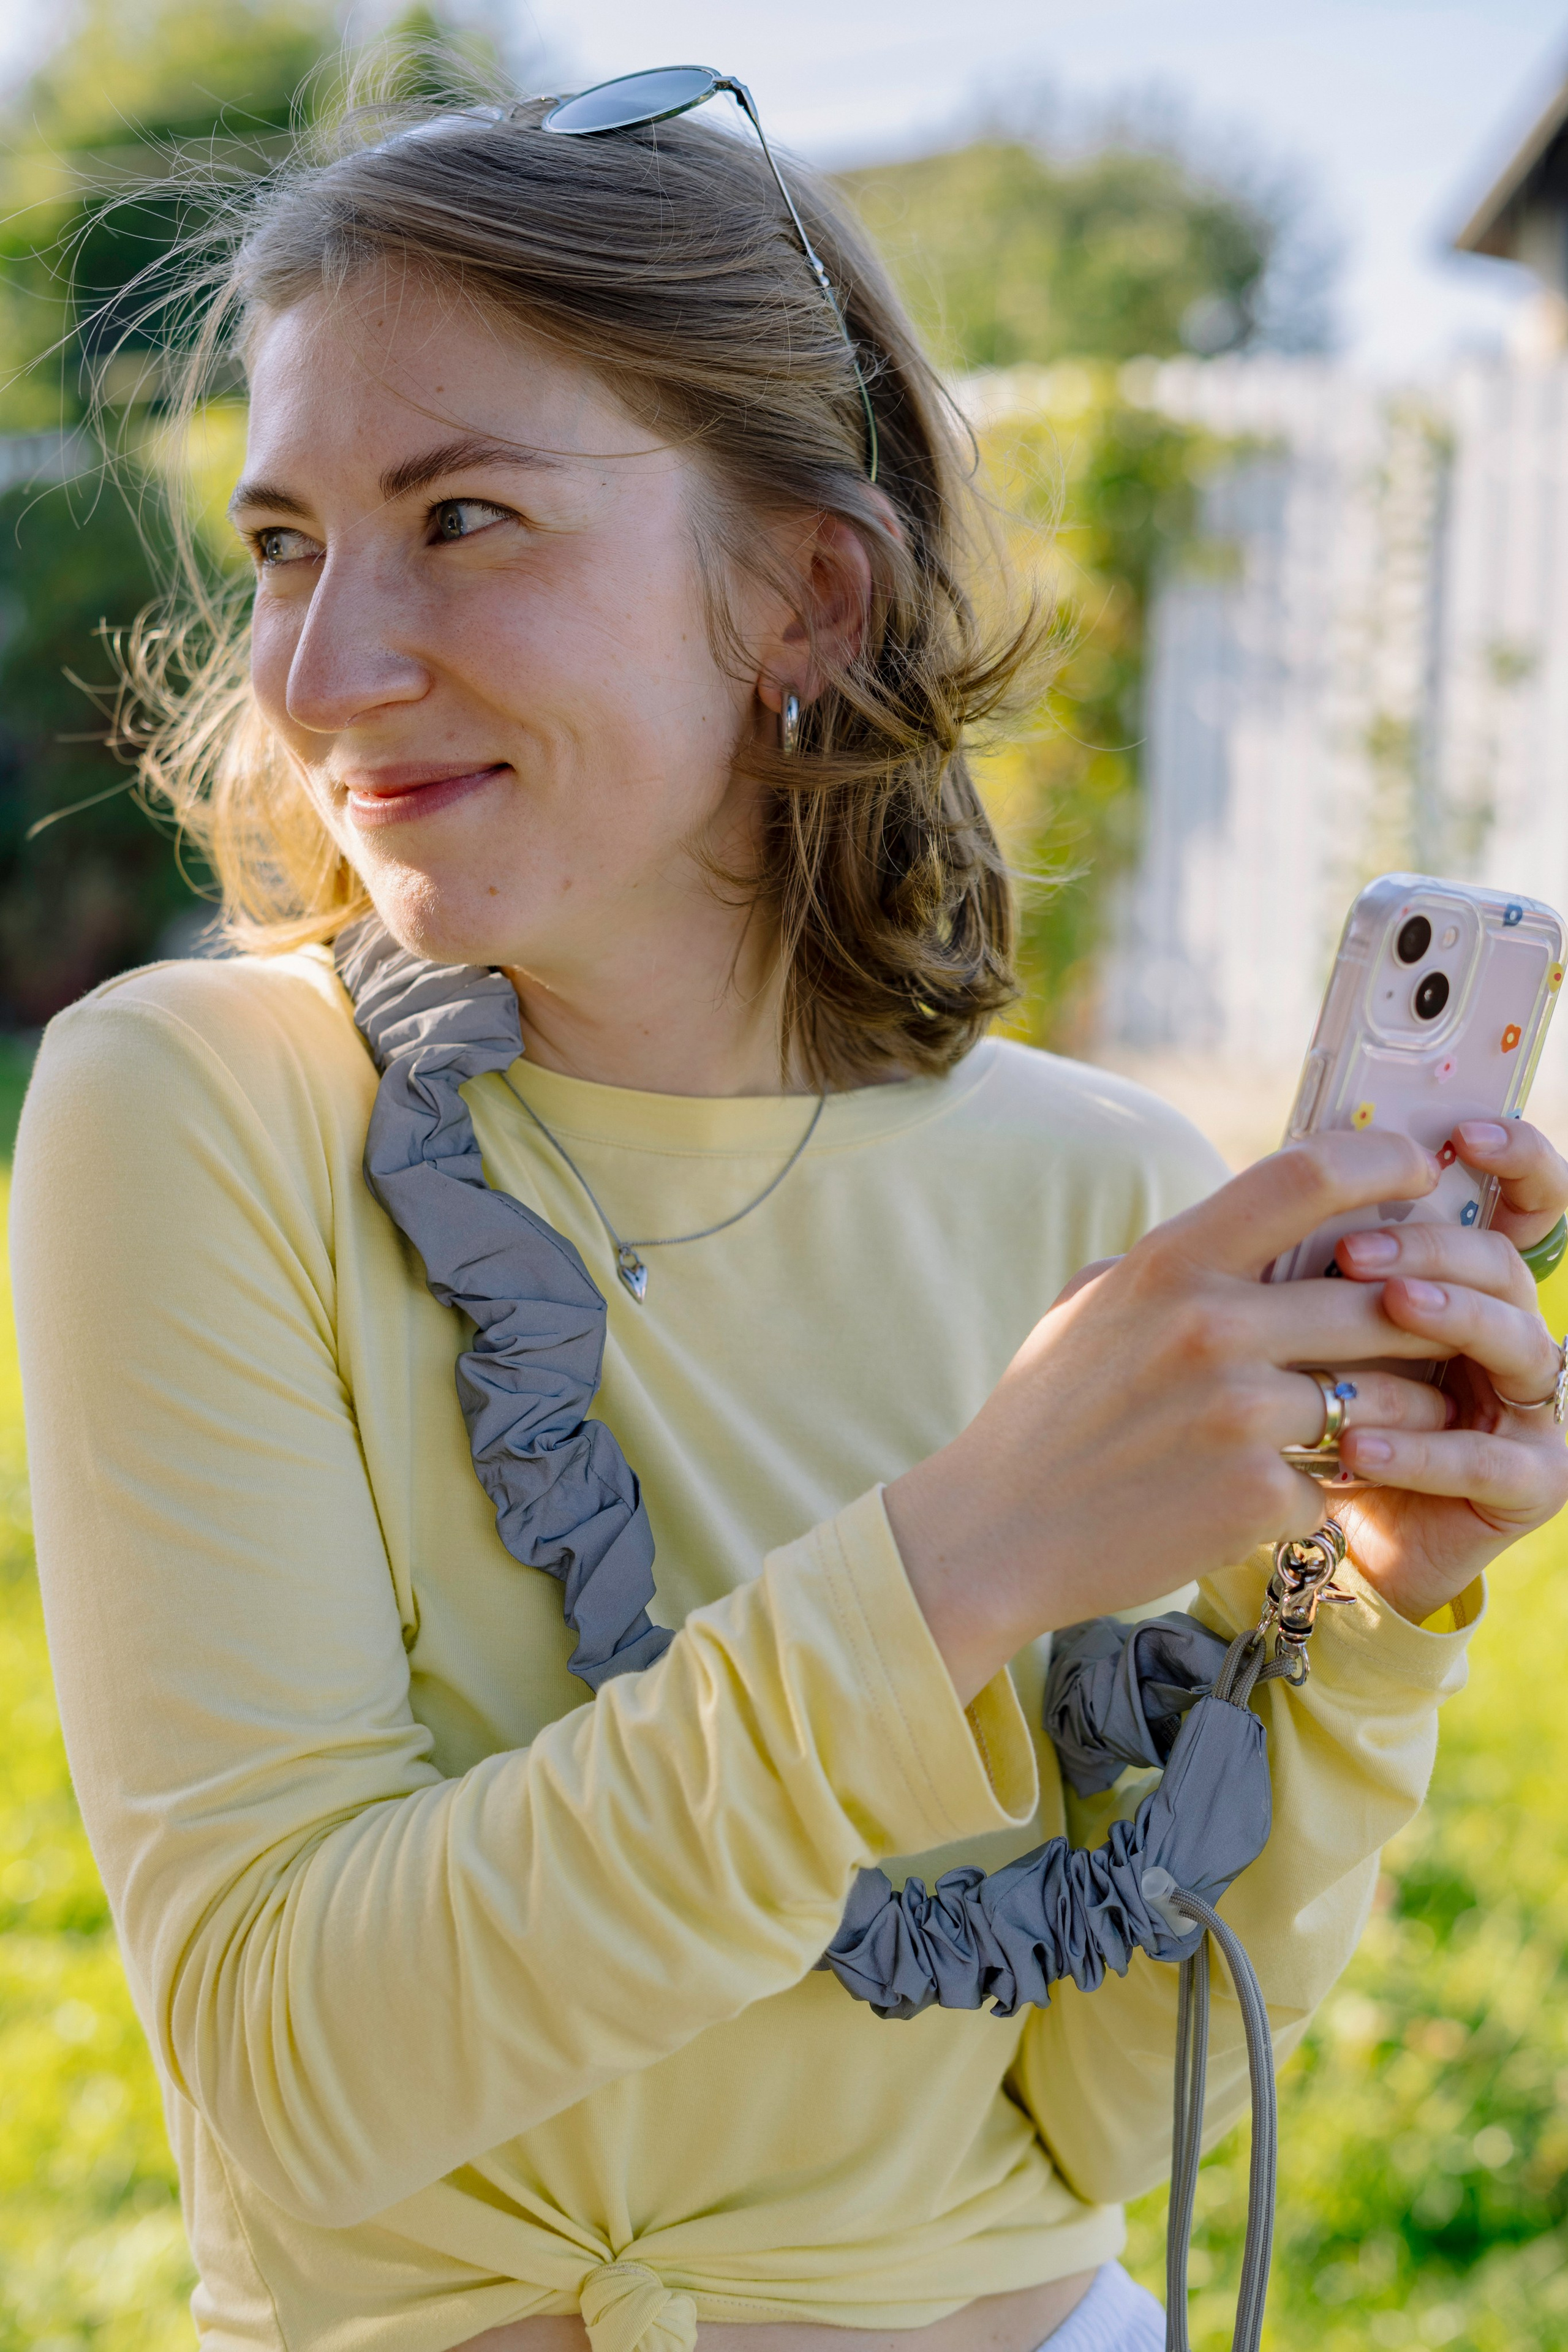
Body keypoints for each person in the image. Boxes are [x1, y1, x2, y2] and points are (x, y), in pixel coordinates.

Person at [11, 80, 1568, 2352]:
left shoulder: (1113, 1197)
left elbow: (1098, 2114)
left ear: (802, 594)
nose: (322, 674)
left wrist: (1364, 1617)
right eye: (284, 544)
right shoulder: (205, 1108)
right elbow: (296, 2069)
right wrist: (961, 1558)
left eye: (461, 517)